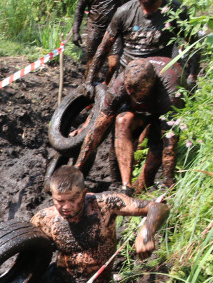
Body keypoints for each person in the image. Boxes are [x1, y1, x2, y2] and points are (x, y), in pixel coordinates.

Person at [26, 165, 169, 283]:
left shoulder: (105, 205)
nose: (67, 206)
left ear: (84, 192)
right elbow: (23, 246)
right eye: (60, 201)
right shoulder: (45, 218)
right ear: (53, 197)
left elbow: (158, 207)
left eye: (73, 199)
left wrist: (147, 232)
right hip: (55, 279)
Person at [76, 58, 177, 193]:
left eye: (139, 93)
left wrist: (168, 179)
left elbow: (170, 143)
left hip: (162, 113)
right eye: (131, 93)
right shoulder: (120, 85)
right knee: (122, 120)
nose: (134, 95)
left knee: (146, 176)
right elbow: (98, 127)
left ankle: (140, 189)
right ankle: (126, 186)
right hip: (138, 110)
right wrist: (78, 166)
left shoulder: (170, 92)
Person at [70, 0, 127, 67]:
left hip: (114, 30)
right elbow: (80, 8)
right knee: (92, 60)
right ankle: (89, 76)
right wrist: (76, 32)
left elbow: (129, 7)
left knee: (115, 62)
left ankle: (111, 76)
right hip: (95, 28)